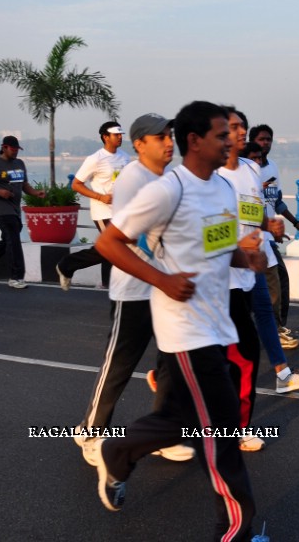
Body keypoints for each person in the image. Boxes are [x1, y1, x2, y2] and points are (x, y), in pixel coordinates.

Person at [93, 101, 265, 541]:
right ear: (196, 141)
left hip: (217, 322)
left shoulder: (223, 189)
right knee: (223, 430)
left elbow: (218, 246)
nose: (231, 141)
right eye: (222, 135)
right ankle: (234, 531)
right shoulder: (168, 190)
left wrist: (248, 257)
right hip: (186, 330)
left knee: (180, 418)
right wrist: (162, 281)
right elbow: (110, 243)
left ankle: (118, 450)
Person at [73, 114, 193, 466]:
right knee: (120, 364)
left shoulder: (168, 178)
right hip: (136, 288)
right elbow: (131, 235)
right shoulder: (132, 180)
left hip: (164, 288)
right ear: (140, 144)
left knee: (171, 362)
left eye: (169, 135)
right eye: (160, 137)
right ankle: (91, 432)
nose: (169, 142)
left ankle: (163, 431)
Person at [219, 109, 299, 452]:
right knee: (221, 352)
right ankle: (176, 396)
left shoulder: (249, 169)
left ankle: (281, 375)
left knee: (259, 325)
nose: (242, 132)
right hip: (225, 271)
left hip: (255, 262)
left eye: (243, 127)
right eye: (234, 127)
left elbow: (253, 210)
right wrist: (238, 245)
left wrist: (269, 225)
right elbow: (207, 227)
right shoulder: (211, 176)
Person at [248, 124, 299, 349]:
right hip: (250, 236)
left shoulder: (272, 166)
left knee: (277, 280)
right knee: (267, 283)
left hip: (267, 237)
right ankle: (272, 331)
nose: (266, 143)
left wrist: (296, 223)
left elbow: (278, 201)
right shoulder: (245, 169)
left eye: (269, 140)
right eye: (261, 139)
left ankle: (276, 327)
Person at [56, 121, 131, 290]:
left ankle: (107, 282)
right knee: (113, 246)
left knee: (113, 247)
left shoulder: (125, 157)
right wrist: (100, 196)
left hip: (122, 211)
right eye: (116, 134)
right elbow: (76, 184)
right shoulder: (95, 159)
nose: (120, 137)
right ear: (105, 137)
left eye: (121, 134)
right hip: (103, 212)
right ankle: (67, 264)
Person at [0, 135, 45, 289]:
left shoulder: (19, 163)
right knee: (13, 237)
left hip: (15, 209)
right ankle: (16, 277)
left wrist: (35, 193)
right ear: (4, 147)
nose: (15, 152)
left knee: (9, 239)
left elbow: (24, 184)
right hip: (0, 209)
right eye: (13, 149)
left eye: (17, 150)